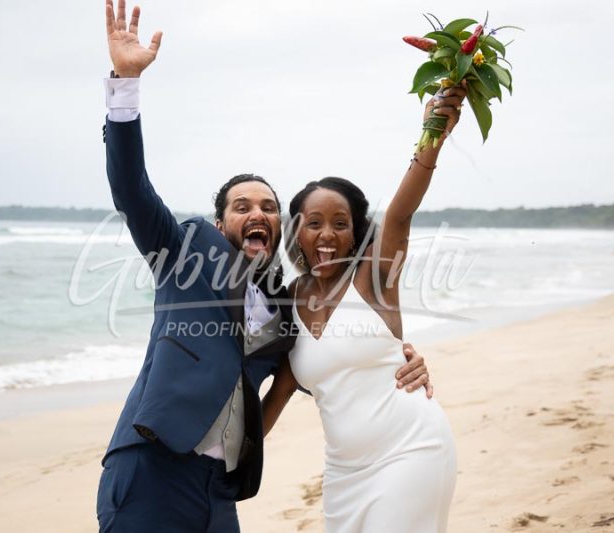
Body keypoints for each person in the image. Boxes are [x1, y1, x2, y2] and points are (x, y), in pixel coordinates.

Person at [97, 2, 436, 531]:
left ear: (282, 228)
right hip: (152, 468)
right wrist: (125, 85)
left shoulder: (288, 306)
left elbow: (328, 357)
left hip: (221, 490)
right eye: (242, 206)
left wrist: (402, 357)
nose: (258, 213)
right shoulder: (182, 251)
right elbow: (132, 189)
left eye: (270, 207)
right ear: (218, 222)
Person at [261, 85, 467, 531]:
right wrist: (214, 464)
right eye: (313, 224)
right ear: (296, 232)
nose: (327, 235)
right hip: (344, 476)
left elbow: (399, 214)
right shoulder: (288, 304)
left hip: (411, 451)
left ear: (356, 233)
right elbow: (276, 397)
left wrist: (432, 135)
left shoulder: (374, 279)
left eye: (340, 224)